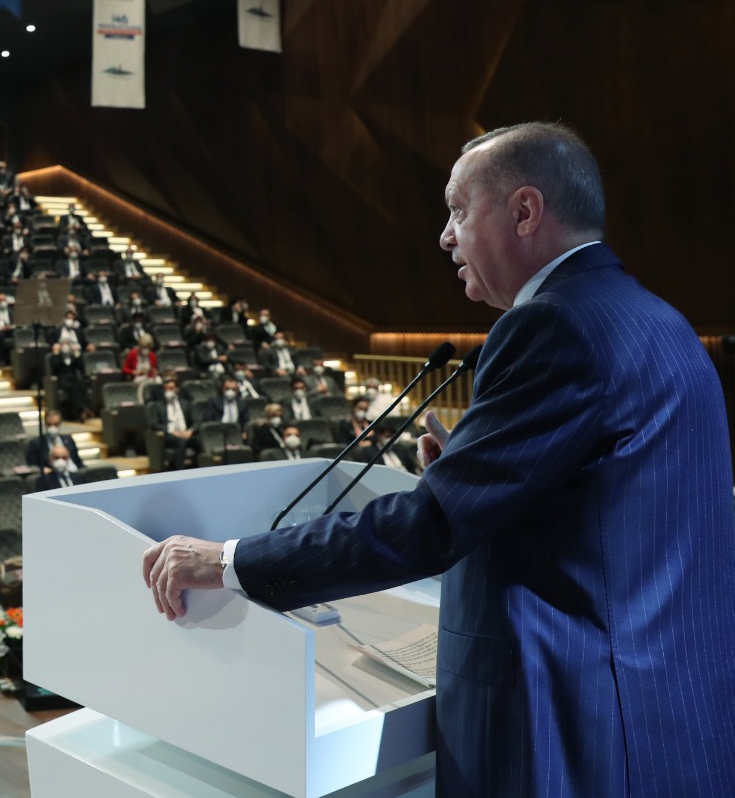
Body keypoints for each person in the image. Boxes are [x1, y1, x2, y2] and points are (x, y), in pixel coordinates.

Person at [142, 122, 735, 797]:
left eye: (458, 209)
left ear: (524, 211)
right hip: (667, 714)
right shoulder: (659, 319)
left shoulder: (552, 324)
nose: (446, 236)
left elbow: (429, 526)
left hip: (577, 729)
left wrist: (228, 561)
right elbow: (619, 508)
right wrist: (477, 469)